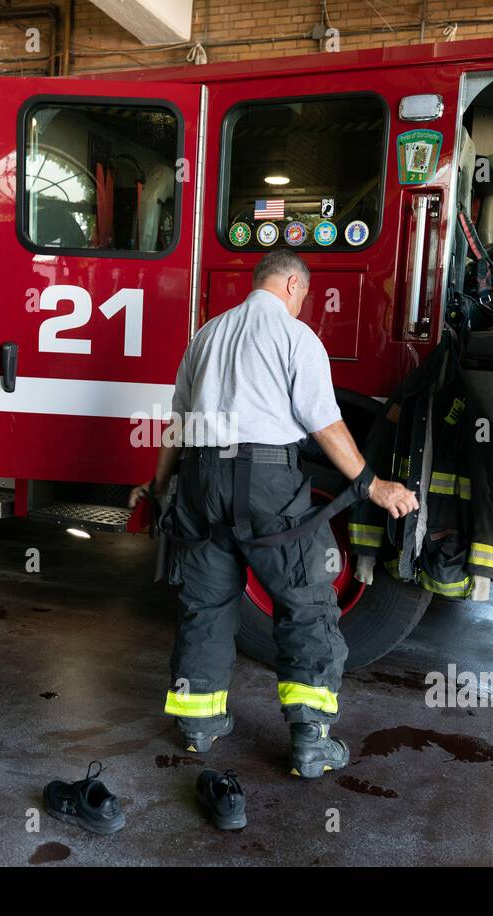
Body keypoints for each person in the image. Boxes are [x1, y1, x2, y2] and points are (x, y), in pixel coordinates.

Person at [129, 250, 418, 778]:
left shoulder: (207, 335)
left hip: (200, 479)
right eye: (303, 296)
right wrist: (370, 484)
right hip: (267, 481)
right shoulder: (296, 338)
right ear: (290, 285)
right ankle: (309, 741)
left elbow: (177, 421)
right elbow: (323, 421)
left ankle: (199, 726)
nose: (302, 306)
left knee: (206, 604)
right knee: (306, 602)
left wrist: (157, 487)